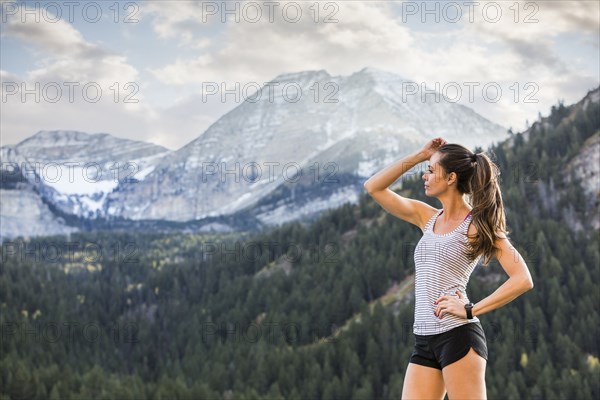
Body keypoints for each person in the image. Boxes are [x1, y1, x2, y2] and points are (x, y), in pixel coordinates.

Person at [363, 137, 534, 399]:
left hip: (458, 337)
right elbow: (373, 187)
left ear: (451, 178)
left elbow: (522, 278)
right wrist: (421, 155)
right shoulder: (427, 217)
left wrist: (470, 309)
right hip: (424, 340)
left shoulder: (476, 226)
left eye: (431, 171)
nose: (425, 176)